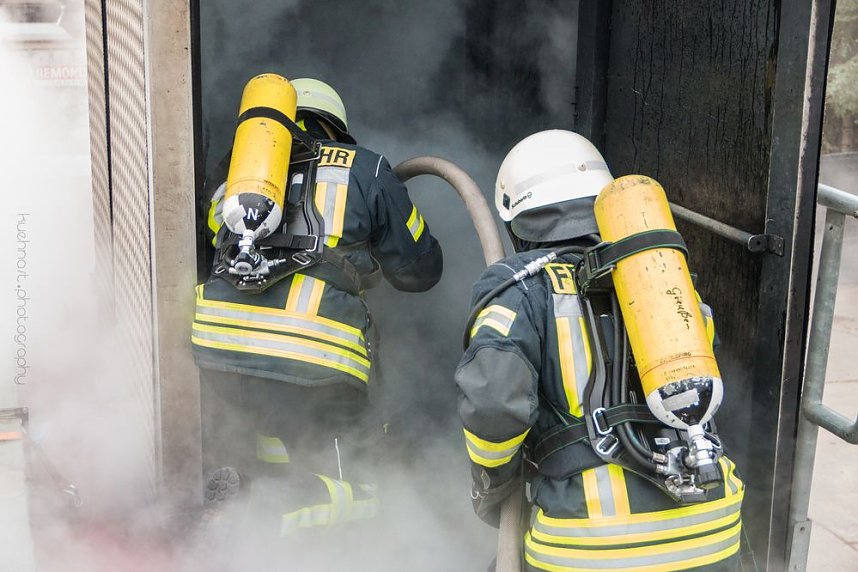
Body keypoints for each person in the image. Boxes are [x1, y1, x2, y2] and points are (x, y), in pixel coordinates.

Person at [455, 129, 744, 571]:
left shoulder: (521, 289)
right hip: (713, 532)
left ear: (517, 220)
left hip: (594, 546)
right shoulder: (661, 279)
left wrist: (493, 482)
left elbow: (493, 404)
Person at [193, 77, 443, 538]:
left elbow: (214, 241)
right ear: (336, 130)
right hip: (314, 353)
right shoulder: (367, 169)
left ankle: (263, 520)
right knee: (365, 488)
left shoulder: (241, 177)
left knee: (277, 441)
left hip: (220, 349)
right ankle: (259, 511)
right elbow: (418, 272)